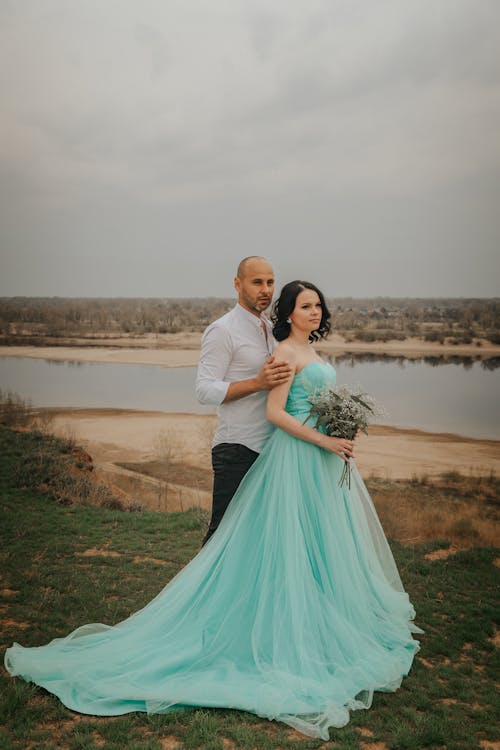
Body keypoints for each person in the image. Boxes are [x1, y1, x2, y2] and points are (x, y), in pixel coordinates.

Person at [4, 280, 421, 741]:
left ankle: (315, 624)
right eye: (306, 306)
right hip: (298, 459)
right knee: (275, 545)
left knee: (318, 547)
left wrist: (341, 427)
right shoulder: (283, 352)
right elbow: (277, 414)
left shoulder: (308, 351)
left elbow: (311, 406)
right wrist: (325, 438)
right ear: (288, 313)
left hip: (320, 461)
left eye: (318, 305)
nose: (315, 312)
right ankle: (251, 633)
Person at [196, 256, 291, 544]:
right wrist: (256, 383)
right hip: (237, 449)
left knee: (258, 541)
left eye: (270, 282)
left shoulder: (273, 330)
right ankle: (204, 590)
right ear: (238, 284)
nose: (265, 289)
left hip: (272, 450)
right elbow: (204, 390)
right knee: (221, 540)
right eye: (257, 282)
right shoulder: (222, 330)